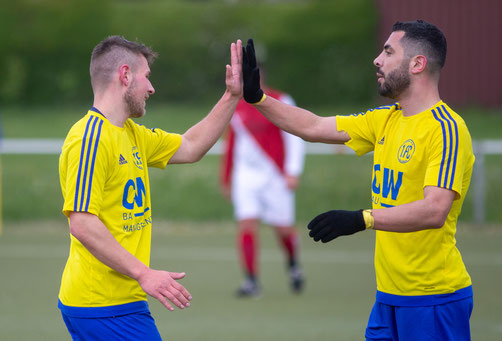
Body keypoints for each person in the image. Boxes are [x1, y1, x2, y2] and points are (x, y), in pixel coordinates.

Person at [242, 20, 474, 341]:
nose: (377, 59)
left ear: (418, 64)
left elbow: (434, 210)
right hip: (388, 295)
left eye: (388, 52)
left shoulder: (446, 129)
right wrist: (258, 98)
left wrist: (361, 219)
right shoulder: (386, 118)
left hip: (432, 297)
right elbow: (314, 127)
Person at [58, 36, 243, 340]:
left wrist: (231, 95)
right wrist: (144, 274)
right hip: (103, 303)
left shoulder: (131, 133)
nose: (151, 88)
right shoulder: (90, 139)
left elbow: (192, 146)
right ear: (126, 75)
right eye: (147, 77)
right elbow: (82, 222)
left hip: (118, 302)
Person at [220, 66, 306, 297]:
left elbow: (295, 135)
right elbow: (230, 143)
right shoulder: (234, 106)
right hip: (245, 176)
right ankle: (251, 280)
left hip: (275, 175)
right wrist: (226, 177)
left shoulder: (280, 100)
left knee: (283, 229)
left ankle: (294, 265)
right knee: (246, 225)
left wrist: (292, 171)